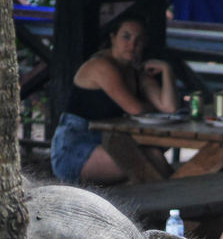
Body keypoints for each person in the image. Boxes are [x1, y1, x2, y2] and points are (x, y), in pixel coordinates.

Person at [51, 16, 178, 185]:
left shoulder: (135, 71)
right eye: (126, 36)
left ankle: (180, 197)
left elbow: (168, 107)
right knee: (145, 167)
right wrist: (151, 108)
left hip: (112, 142)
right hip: (74, 146)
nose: (132, 45)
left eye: (138, 40)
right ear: (113, 38)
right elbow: (136, 110)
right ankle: (181, 197)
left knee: (154, 154)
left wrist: (166, 69)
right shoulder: (101, 66)